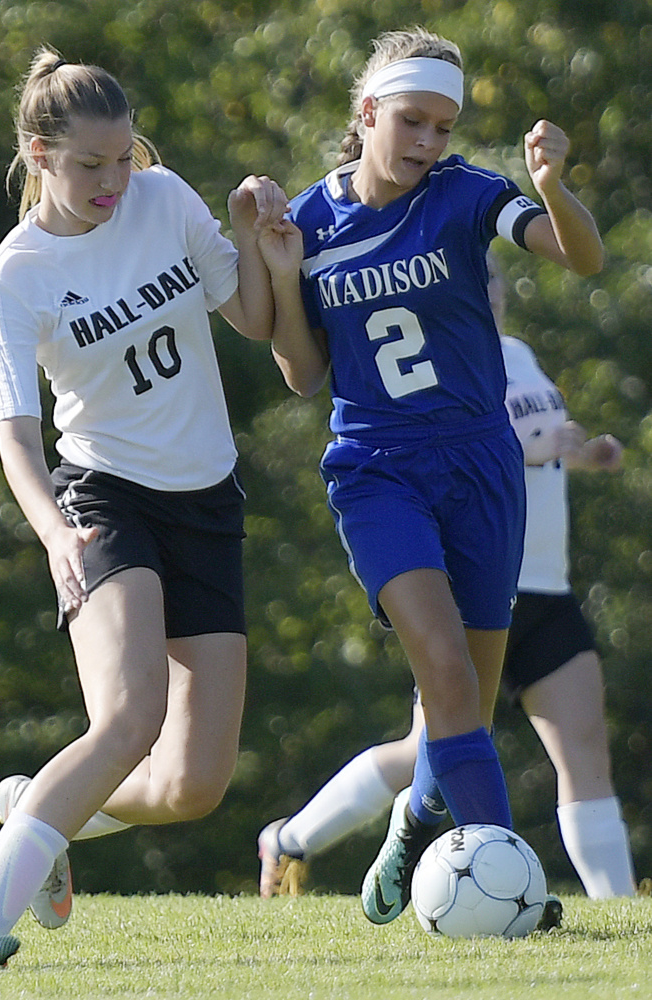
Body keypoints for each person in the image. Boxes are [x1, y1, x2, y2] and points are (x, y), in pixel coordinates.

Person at [0, 47, 287, 984]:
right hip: (103, 499)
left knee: (195, 787)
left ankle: (38, 812)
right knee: (128, 717)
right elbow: (12, 433)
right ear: (38, 156)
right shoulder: (14, 277)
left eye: (123, 158)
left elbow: (246, 315)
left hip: (206, 500)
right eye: (90, 165)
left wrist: (250, 237)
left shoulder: (161, 197)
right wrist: (54, 534)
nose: (113, 180)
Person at [256, 25, 604, 923]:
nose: (426, 143)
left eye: (442, 127)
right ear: (367, 113)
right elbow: (301, 373)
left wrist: (553, 188)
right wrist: (286, 273)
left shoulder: (466, 193)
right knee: (443, 673)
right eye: (411, 121)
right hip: (376, 468)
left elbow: (581, 257)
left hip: (481, 462)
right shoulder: (311, 217)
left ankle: (416, 822)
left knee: (467, 707)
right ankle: (510, 880)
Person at [257, 257, 637, 912]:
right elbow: (458, 447)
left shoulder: (516, 352)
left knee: (584, 751)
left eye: (490, 279)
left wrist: (581, 452)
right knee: (426, 751)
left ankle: (620, 907)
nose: (486, 291)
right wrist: (534, 444)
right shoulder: (432, 356)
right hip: (472, 587)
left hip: (545, 589)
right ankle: (290, 838)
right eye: (473, 278)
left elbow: (540, 444)